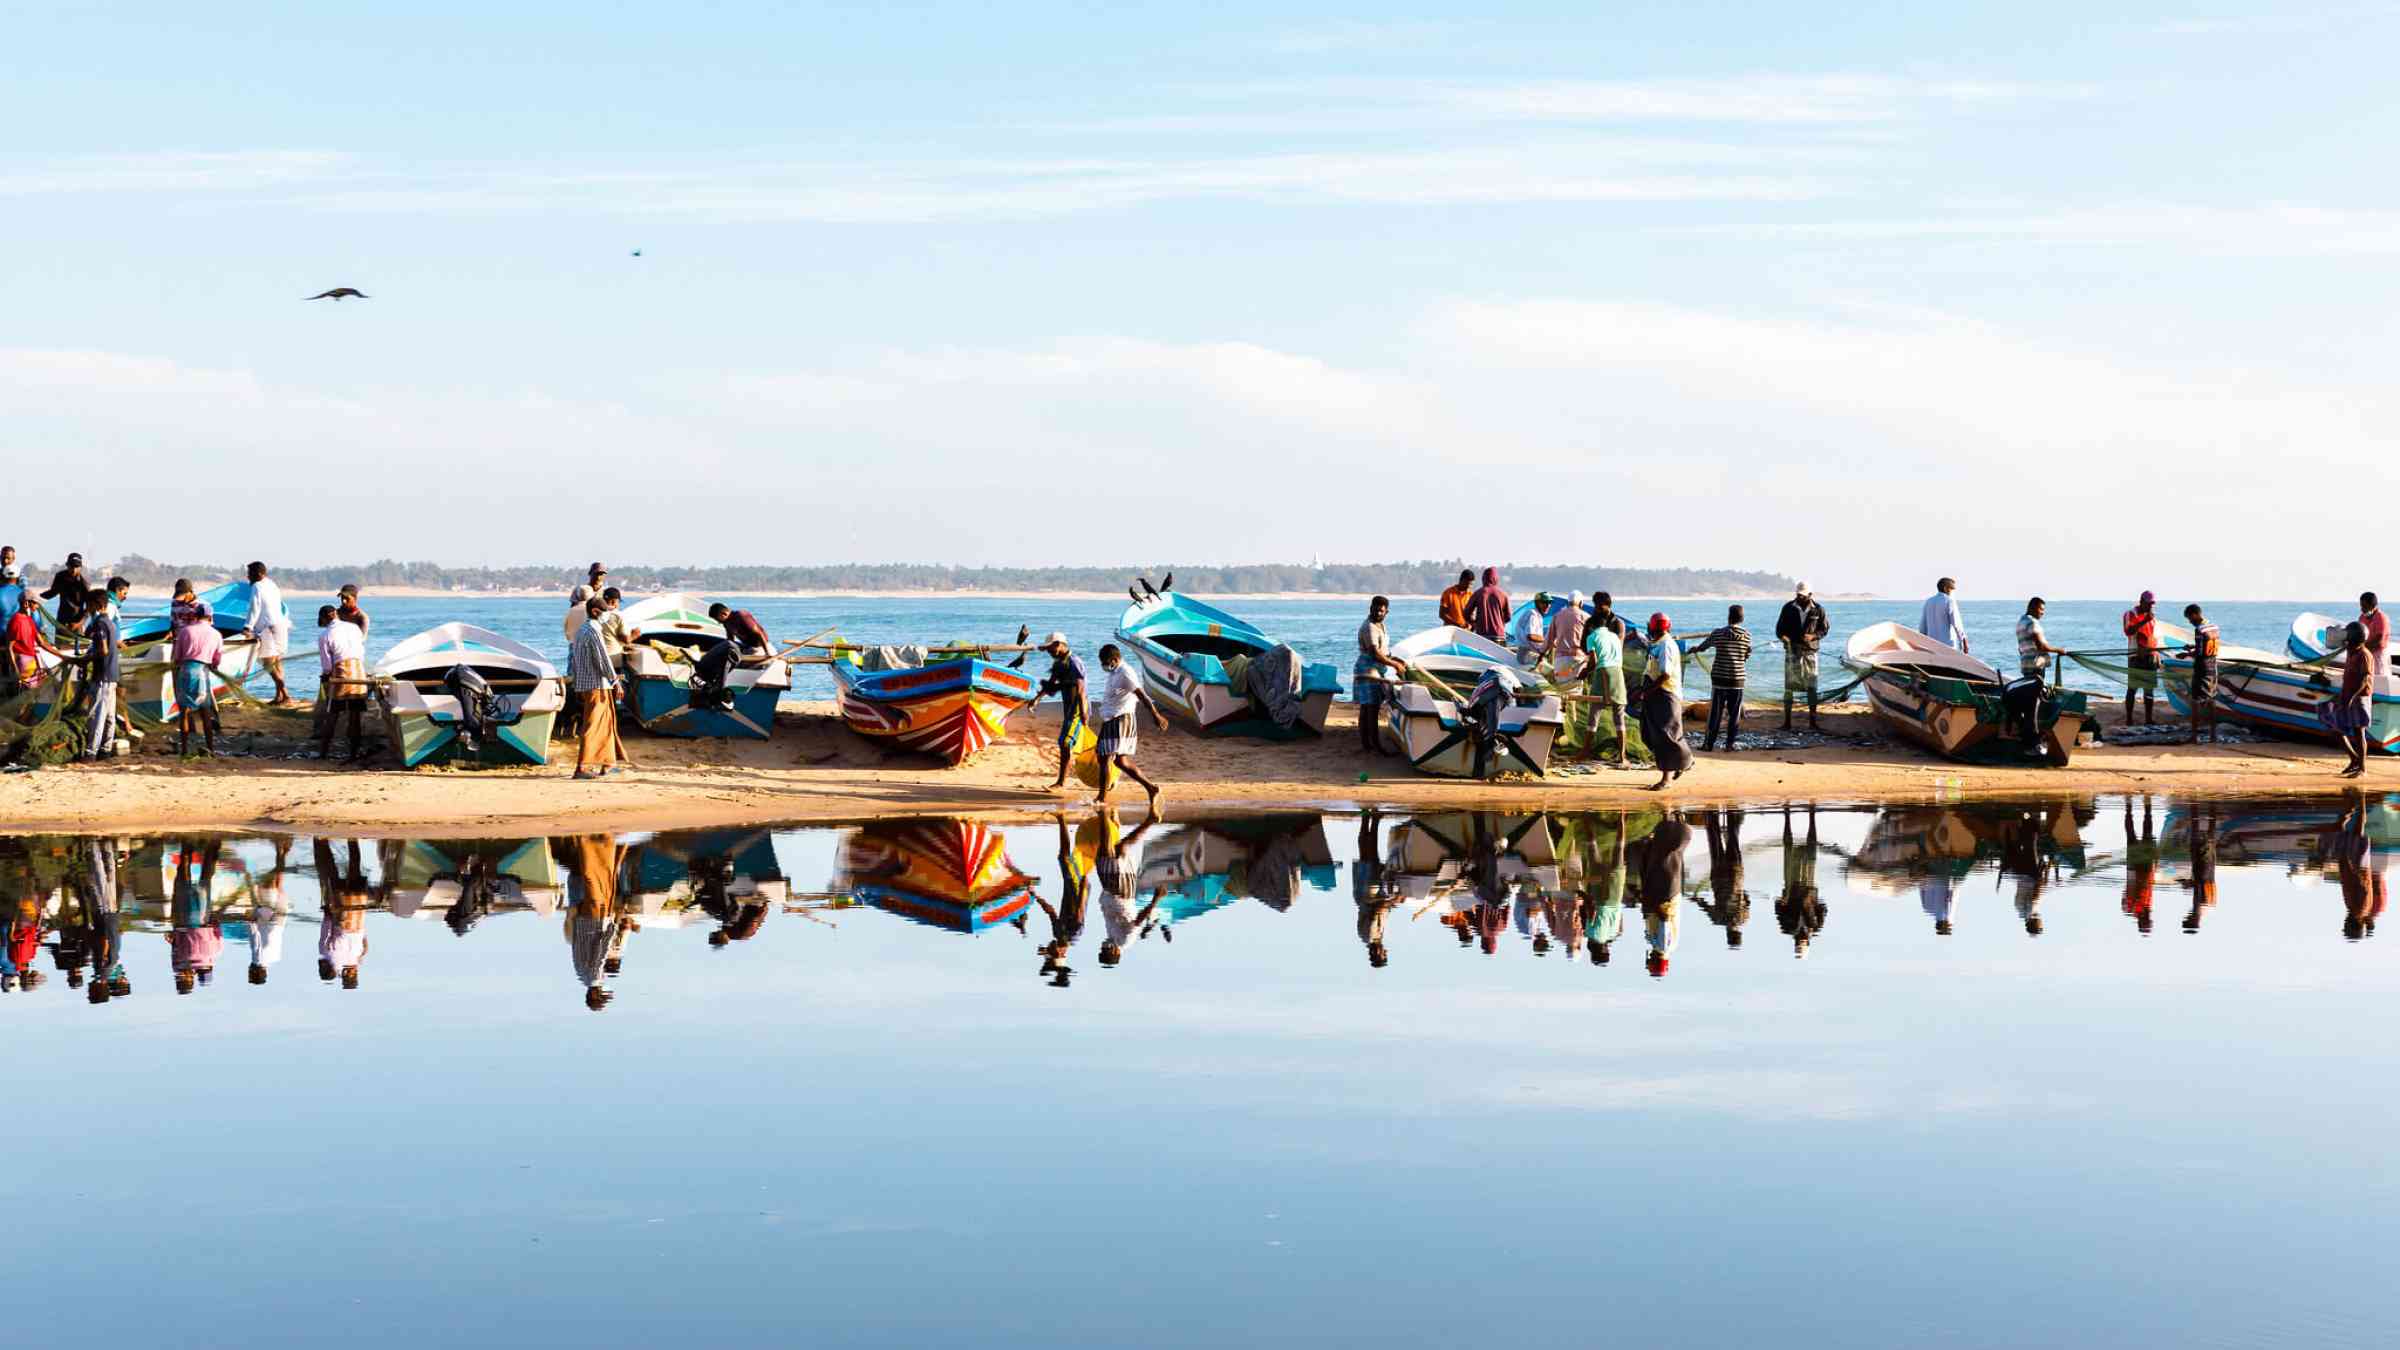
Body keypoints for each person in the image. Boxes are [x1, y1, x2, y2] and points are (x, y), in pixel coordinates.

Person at [1092, 643, 1167, 810]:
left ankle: (1101, 797)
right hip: (1111, 717)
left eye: (1105, 661)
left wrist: (1156, 715)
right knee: (1120, 761)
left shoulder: (1125, 672)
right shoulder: (1114, 672)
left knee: (1104, 756)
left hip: (1121, 718)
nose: (1103, 665)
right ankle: (1151, 788)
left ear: (1115, 659)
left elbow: (1142, 695)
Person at [569, 598, 630, 779]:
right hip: (597, 685)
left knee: (606, 724)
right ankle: (582, 767)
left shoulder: (581, 630)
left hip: (588, 684)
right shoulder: (593, 631)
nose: (607, 617)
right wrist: (616, 681)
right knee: (594, 725)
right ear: (595, 612)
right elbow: (603, 660)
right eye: (605, 613)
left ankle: (608, 764)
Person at [1635, 612, 1691, 791]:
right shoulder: (1656, 644)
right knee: (1648, 733)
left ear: (1653, 627)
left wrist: (1648, 692)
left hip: (1665, 694)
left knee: (1666, 735)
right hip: (1655, 695)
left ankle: (1667, 779)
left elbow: (1665, 673)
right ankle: (1685, 760)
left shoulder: (1666, 645)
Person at [1686, 604, 1753, 752]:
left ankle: (1708, 744)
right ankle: (1729, 745)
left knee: (1715, 714)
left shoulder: (1718, 633)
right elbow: (1746, 655)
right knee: (1734, 714)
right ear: (1742, 618)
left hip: (1720, 679)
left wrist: (1694, 649)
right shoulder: (1747, 635)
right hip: (1738, 680)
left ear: (1729, 617)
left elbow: (1704, 646)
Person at [1575, 597, 1631, 767]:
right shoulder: (1615, 635)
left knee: (1594, 714)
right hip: (1618, 673)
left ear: (1593, 626)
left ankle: (1585, 752)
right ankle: (1623, 757)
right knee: (1619, 716)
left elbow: (1593, 660)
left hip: (1603, 673)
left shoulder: (1592, 636)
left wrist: (1584, 672)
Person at [77, 577, 128, 761]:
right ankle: (105, 750)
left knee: (96, 715)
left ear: (95, 605)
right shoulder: (110, 623)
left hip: (103, 676)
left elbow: (103, 650)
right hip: (112, 675)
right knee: (109, 716)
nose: (87, 609)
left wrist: (86, 659)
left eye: (88, 605)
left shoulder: (99, 624)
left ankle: (91, 752)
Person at [1035, 633, 1090, 790]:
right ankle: (1062, 781)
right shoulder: (1060, 663)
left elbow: (1081, 689)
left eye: (1050, 648)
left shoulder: (1074, 662)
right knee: (1066, 743)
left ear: (1059, 644)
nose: (1048, 652)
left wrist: (1084, 712)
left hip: (1078, 710)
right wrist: (1037, 698)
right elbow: (1051, 684)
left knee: (1065, 742)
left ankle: (1061, 783)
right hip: (1069, 709)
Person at [1352, 597, 1407, 754]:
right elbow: (1375, 653)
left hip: (1376, 670)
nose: (1377, 612)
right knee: (1371, 709)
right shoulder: (1369, 627)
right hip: (1368, 671)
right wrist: (1395, 665)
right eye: (1375, 609)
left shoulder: (1380, 625)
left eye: (1381, 610)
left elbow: (1383, 650)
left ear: (1386, 612)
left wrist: (1396, 659)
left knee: (1367, 709)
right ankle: (1375, 745)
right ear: (1370, 608)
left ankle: (1368, 744)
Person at [169, 600, 224, 756]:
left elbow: (177, 658)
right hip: (202, 673)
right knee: (205, 712)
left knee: (184, 712)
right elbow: (216, 661)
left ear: (196, 616)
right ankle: (210, 748)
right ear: (210, 617)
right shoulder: (216, 635)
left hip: (185, 672)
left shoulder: (185, 631)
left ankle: (185, 750)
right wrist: (212, 665)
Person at [315, 604, 369, 761]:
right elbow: (361, 649)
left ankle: (323, 753)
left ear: (324, 618)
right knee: (355, 715)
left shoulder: (325, 635)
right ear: (336, 614)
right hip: (359, 671)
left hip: (341, 672)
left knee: (332, 714)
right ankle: (353, 752)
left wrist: (326, 676)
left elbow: (326, 666)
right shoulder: (354, 628)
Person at [2323, 620, 2375, 777]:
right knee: (2336, 728)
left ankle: (2362, 768)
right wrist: (2342, 695)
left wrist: (2351, 698)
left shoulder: (2364, 655)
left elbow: (2365, 679)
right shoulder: (2351, 651)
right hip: (2347, 696)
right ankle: (2354, 759)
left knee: (2359, 733)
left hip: (2359, 698)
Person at [1775, 583, 1829, 730]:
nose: (1799, 597)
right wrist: (1784, 638)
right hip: (1792, 652)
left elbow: (1824, 629)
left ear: (1810, 595)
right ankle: (1787, 722)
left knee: (1812, 687)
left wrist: (1813, 636)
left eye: (1802, 596)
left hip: (1810, 653)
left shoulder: (1819, 609)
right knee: (1789, 687)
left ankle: (1812, 722)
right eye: (1798, 595)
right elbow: (1779, 630)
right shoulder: (1788, 607)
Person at [240, 561, 295, 706]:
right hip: (280, 625)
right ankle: (279, 697)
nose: (248, 577)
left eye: (250, 574)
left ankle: (286, 695)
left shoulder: (257, 586)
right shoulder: (272, 584)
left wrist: (247, 627)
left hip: (268, 628)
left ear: (258, 574)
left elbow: (255, 607)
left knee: (268, 663)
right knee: (277, 662)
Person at [1697, 808, 1748, 948]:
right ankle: (1711, 814)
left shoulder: (1744, 918)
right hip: (1718, 877)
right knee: (1715, 842)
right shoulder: (1719, 920)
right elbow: (1705, 906)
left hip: (1736, 875)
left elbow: (1747, 900)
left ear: (1739, 934)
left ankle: (1732, 812)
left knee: (1733, 840)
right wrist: (1697, 900)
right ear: (1728, 935)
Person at [1779, 805, 1826, 954]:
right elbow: (1823, 909)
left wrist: (1784, 899)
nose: (1801, 941)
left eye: (1799, 944)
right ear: (1808, 943)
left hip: (1791, 887)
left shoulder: (1787, 928)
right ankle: (1812, 816)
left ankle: (1787, 815)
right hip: (1809, 888)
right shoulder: (1816, 927)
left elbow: (1778, 908)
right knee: (1811, 851)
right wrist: (1815, 900)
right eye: (1802, 944)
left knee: (1788, 850)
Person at [8, 589, 66, 690]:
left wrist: (61, 655)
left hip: (31, 662)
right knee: (27, 695)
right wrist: (16, 671)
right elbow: (10, 647)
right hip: (24, 664)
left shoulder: (29, 619)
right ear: (26, 603)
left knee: (32, 695)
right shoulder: (16, 621)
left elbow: (41, 643)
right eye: (35, 603)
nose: (38, 606)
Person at [2182, 604, 2222, 745]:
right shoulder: (2214, 627)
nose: (2189, 621)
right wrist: (2193, 646)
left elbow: (2200, 653)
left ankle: (2194, 736)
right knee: (2211, 701)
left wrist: (2186, 654)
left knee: (2195, 701)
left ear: (2194, 614)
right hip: (2213, 666)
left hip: (2202, 668)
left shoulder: (2199, 630)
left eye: (2189, 618)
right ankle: (2213, 735)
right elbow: (2206, 646)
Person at [2122, 590, 2162, 727]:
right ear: (2141, 601)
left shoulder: (2152, 618)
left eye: (2152, 604)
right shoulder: (2131, 614)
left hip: (2150, 656)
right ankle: (2129, 719)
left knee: (2149, 689)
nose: (2151, 606)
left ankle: (2149, 719)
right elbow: (2128, 631)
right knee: (2132, 688)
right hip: (2135, 656)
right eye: (2148, 604)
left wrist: (2157, 655)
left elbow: (2154, 637)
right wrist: (2144, 620)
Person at [42, 552, 91, 637]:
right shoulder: (60, 576)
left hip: (76, 621)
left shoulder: (84, 582)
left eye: (76, 567)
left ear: (80, 567)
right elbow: (53, 592)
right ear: (67, 565)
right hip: (62, 619)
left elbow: (89, 606)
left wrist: (79, 623)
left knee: (75, 647)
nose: (74, 570)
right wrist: (36, 598)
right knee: (60, 646)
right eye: (72, 566)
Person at [2016, 597, 2064, 682]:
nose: (2042, 613)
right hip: (2036, 666)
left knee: (2029, 692)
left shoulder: (2021, 622)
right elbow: (2041, 646)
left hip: (2025, 665)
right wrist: (2059, 650)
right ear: (2033, 608)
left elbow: (2020, 648)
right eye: (2041, 609)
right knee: (2036, 692)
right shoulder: (2032, 622)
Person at [1541, 589, 1587, 676]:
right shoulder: (1586, 617)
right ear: (1581, 603)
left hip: (1560, 660)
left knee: (1561, 687)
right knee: (1576, 688)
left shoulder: (1557, 616)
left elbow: (1549, 640)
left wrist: (1541, 654)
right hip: (1578, 659)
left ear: (1568, 602)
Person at [1464, 567, 1511, 643]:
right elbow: (1508, 617)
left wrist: (1475, 624)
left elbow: (1466, 613)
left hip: (1482, 635)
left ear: (1483, 578)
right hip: (1500, 636)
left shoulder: (1478, 593)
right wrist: (1499, 624)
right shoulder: (1503, 595)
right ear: (1496, 579)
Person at [1920, 577, 1967, 652]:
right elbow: (1956, 624)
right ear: (1945, 588)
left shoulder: (1928, 602)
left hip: (1931, 645)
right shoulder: (1949, 601)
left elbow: (1923, 626)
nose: (1953, 592)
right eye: (1952, 589)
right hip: (1947, 645)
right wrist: (1964, 642)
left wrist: (1923, 642)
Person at [706, 602, 771, 656]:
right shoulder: (726, 622)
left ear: (724, 614)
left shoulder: (741, 616)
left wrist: (767, 652)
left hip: (760, 647)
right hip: (747, 646)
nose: (719, 622)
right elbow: (730, 639)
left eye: (718, 619)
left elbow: (759, 633)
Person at [565, 563, 608, 642]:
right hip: (581, 630)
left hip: (599, 631)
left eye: (601, 574)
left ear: (604, 576)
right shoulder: (579, 590)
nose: (598, 577)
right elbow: (573, 610)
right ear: (590, 573)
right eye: (596, 574)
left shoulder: (606, 592)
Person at [1508, 592, 1549, 663]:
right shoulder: (1533, 615)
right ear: (1537, 603)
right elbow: (1530, 636)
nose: (1548, 605)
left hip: (1528, 652)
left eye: (1549, 602)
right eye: (1545, 602)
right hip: (1526, 653)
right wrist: (1548, 640)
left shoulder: (1537, 615)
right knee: (1549, 664)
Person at [2360, 592, 2389, 680]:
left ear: (2373, 605)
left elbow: (2379, 639)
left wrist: (2363, 648)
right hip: (2366, 652)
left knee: (2379, 677)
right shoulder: (2362, 617)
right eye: (2361, 606)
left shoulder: (2381, 617)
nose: (2362, 609)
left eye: (2365, 606)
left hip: (2377, 654)